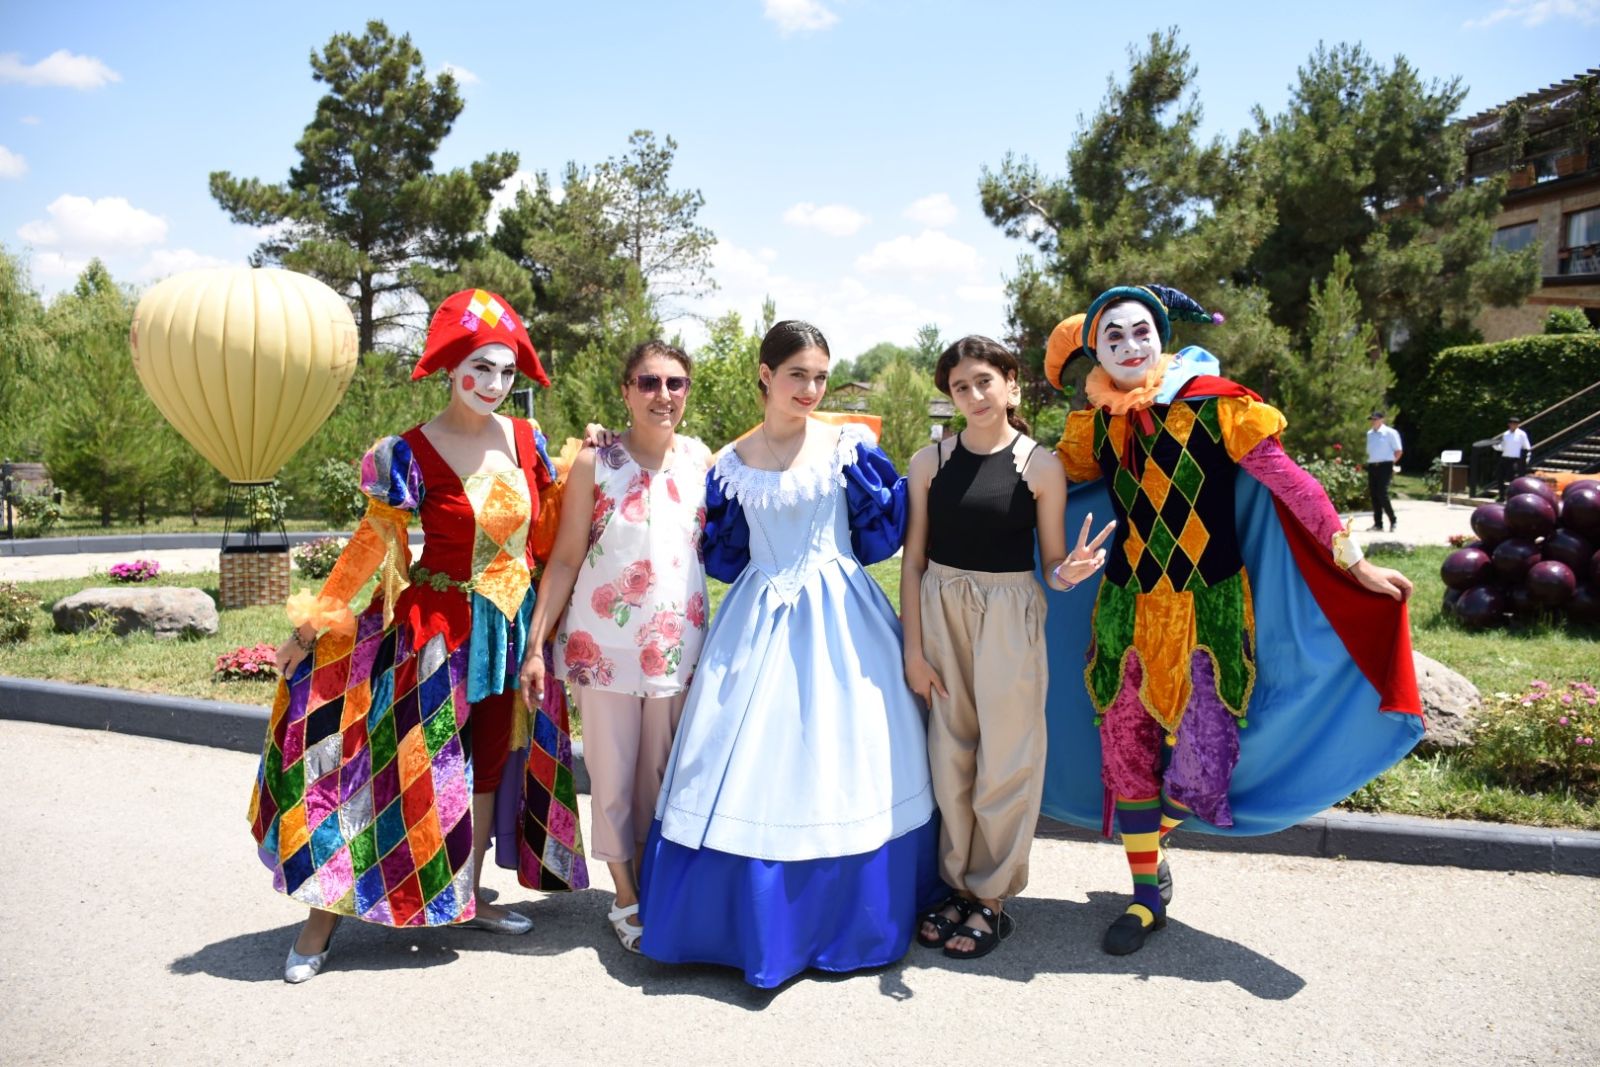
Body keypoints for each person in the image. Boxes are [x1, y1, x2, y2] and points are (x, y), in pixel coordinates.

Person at [1038, 284, 1424, 956]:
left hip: (1209, 610)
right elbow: (1043, 482)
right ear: (1095, 351)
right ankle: (1145, 897)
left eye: (1140, 331)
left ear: (1161, 336)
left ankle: (1152, 841)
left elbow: (1292, 483)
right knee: (1126, 753)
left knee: (1204, 763)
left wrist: (1355, 562)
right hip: (1125, 612)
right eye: (1112, 337)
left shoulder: (1216, 405)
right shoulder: (1094, 425)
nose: (1129, 346)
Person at [251, 289, 586, 984]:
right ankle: (322, 918)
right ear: (450, 368)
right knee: (392, 767)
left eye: (506, 371)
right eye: (480, 368)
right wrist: (311, 626)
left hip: (513, 628)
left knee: (488, 764)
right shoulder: (408, 451)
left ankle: (464, 896)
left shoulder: (527, 441)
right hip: (436, 635)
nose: (494, 384)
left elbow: (554, 531)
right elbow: (371, 543)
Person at [637, 320, 942, 988]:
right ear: (765, 374)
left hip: (844, 617)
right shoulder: (729, 463)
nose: (810, 388)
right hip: (756, 619)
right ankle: (736, 925)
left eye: (820, 376)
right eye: (798, 374)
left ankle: (848, 920)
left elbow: (882, 532)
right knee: (746, 757)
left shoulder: (848, 448)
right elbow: (722, 552)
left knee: (847, 753)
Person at [900, 335, 1113, 959]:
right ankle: (957, 886)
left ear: (1011, 385)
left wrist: (1069, 573)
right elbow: (913, 560)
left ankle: (990, 897)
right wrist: (914, 651)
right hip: (940, 609)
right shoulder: (929, 462)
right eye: (960, 386)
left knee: (1006, 759)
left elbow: (1051, 565)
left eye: (983, 381)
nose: (973, 395)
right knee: (949, 756)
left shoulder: (1040, 466)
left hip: (1008, 615)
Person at [518, 340, 710, 953]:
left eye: (675, 383)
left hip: (679, 648)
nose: (663, 394)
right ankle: (624, 896)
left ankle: (655, 885)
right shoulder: (595, 462)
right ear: (626, 391)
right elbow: (565, 558)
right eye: (648, 382)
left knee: (661, 776)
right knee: (613, 777)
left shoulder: (702, 460)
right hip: (602, 650)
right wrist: (535, 646)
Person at [1364, 411, 1403, 532]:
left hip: (1385, 465)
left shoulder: (1390, 433)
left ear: (1382, 420)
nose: (1373, 421)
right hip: (1372, 465)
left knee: (1382, 493)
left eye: (1375, 419)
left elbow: (1398, 451)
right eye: (1372, 419)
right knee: (1374, 494)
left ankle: (1393, 520)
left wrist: (1392, 463)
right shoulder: (1369, 434)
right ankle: (1378, 524)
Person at [1496, 416, 1532, 498]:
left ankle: (1513, 496)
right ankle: (1501, 495)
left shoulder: (1522, 434)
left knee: (1513, 479)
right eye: (1512, 423)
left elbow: (1526, 447)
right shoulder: (1506, 434)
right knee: (1500, 476)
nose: (1513, 425)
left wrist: (1527, 458)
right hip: (1505, 457)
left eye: (1515, 424)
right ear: (1509, 424)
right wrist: (1495, 446)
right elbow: (1503, 447)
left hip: (1515, 459)